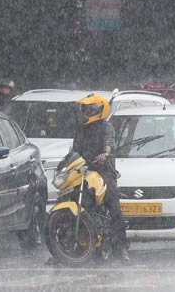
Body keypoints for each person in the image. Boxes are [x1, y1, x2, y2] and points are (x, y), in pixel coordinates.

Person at [70, 93, 129, 262]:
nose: (85, 112)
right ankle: (81, 243)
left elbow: (109, 143)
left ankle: (122, 247)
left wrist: (105, 153)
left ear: (99, 110)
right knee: (78, 202)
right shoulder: (80, 128)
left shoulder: (106, 127)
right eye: (84, 109)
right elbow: (75, 150)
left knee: (114, 207)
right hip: (85, 172)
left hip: (104, 173)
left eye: (89, 109)